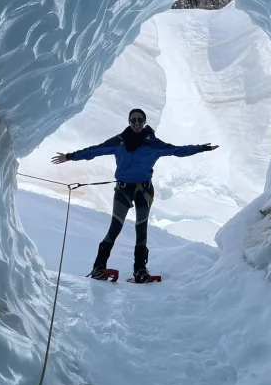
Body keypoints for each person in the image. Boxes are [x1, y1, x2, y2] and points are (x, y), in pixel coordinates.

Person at [51, 108, 218, 283]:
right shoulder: (119, 141)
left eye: (140, 120)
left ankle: (140, 270)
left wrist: (202, 148)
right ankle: (99, 267)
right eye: (133, 120)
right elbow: (95, 150)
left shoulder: (153, 144)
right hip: (124, 189)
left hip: (144, 191)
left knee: (141, 229)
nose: (137, 123)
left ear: (144, 122)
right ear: (129, 122)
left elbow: (178, 150)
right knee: (115, 228)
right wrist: (69, 157)